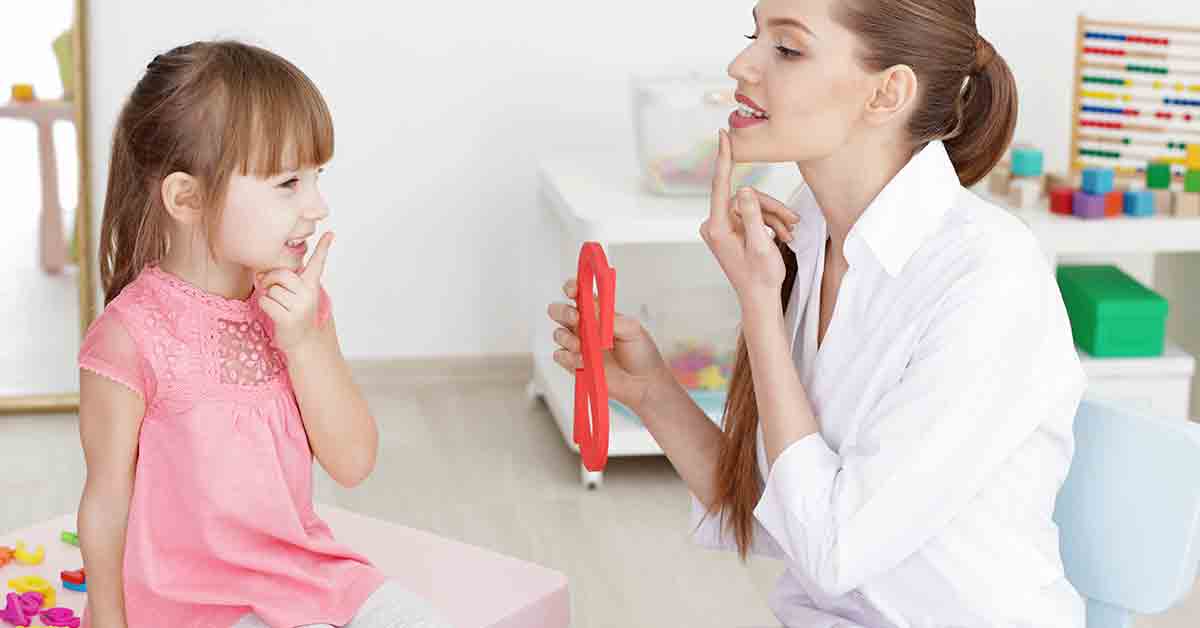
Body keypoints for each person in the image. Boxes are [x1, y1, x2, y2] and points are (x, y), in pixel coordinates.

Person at [547, 0, 1085, 625]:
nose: (741, 65)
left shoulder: (989, 278)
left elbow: (832, 549)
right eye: (754, 35)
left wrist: (758, 303)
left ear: (887, 93)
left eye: (787, 48)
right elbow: (778, 513)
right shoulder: (810, 232)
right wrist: (651, 391)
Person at [76, 41, 453, 628]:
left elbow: (353, 462)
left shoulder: (296, 306)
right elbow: (106, 504)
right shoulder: (130, 338)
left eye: (317, 177)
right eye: (288, 183)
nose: (317, 206)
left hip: (312, 580)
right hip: (198, 608)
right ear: (188, 198)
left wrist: (303, 341)